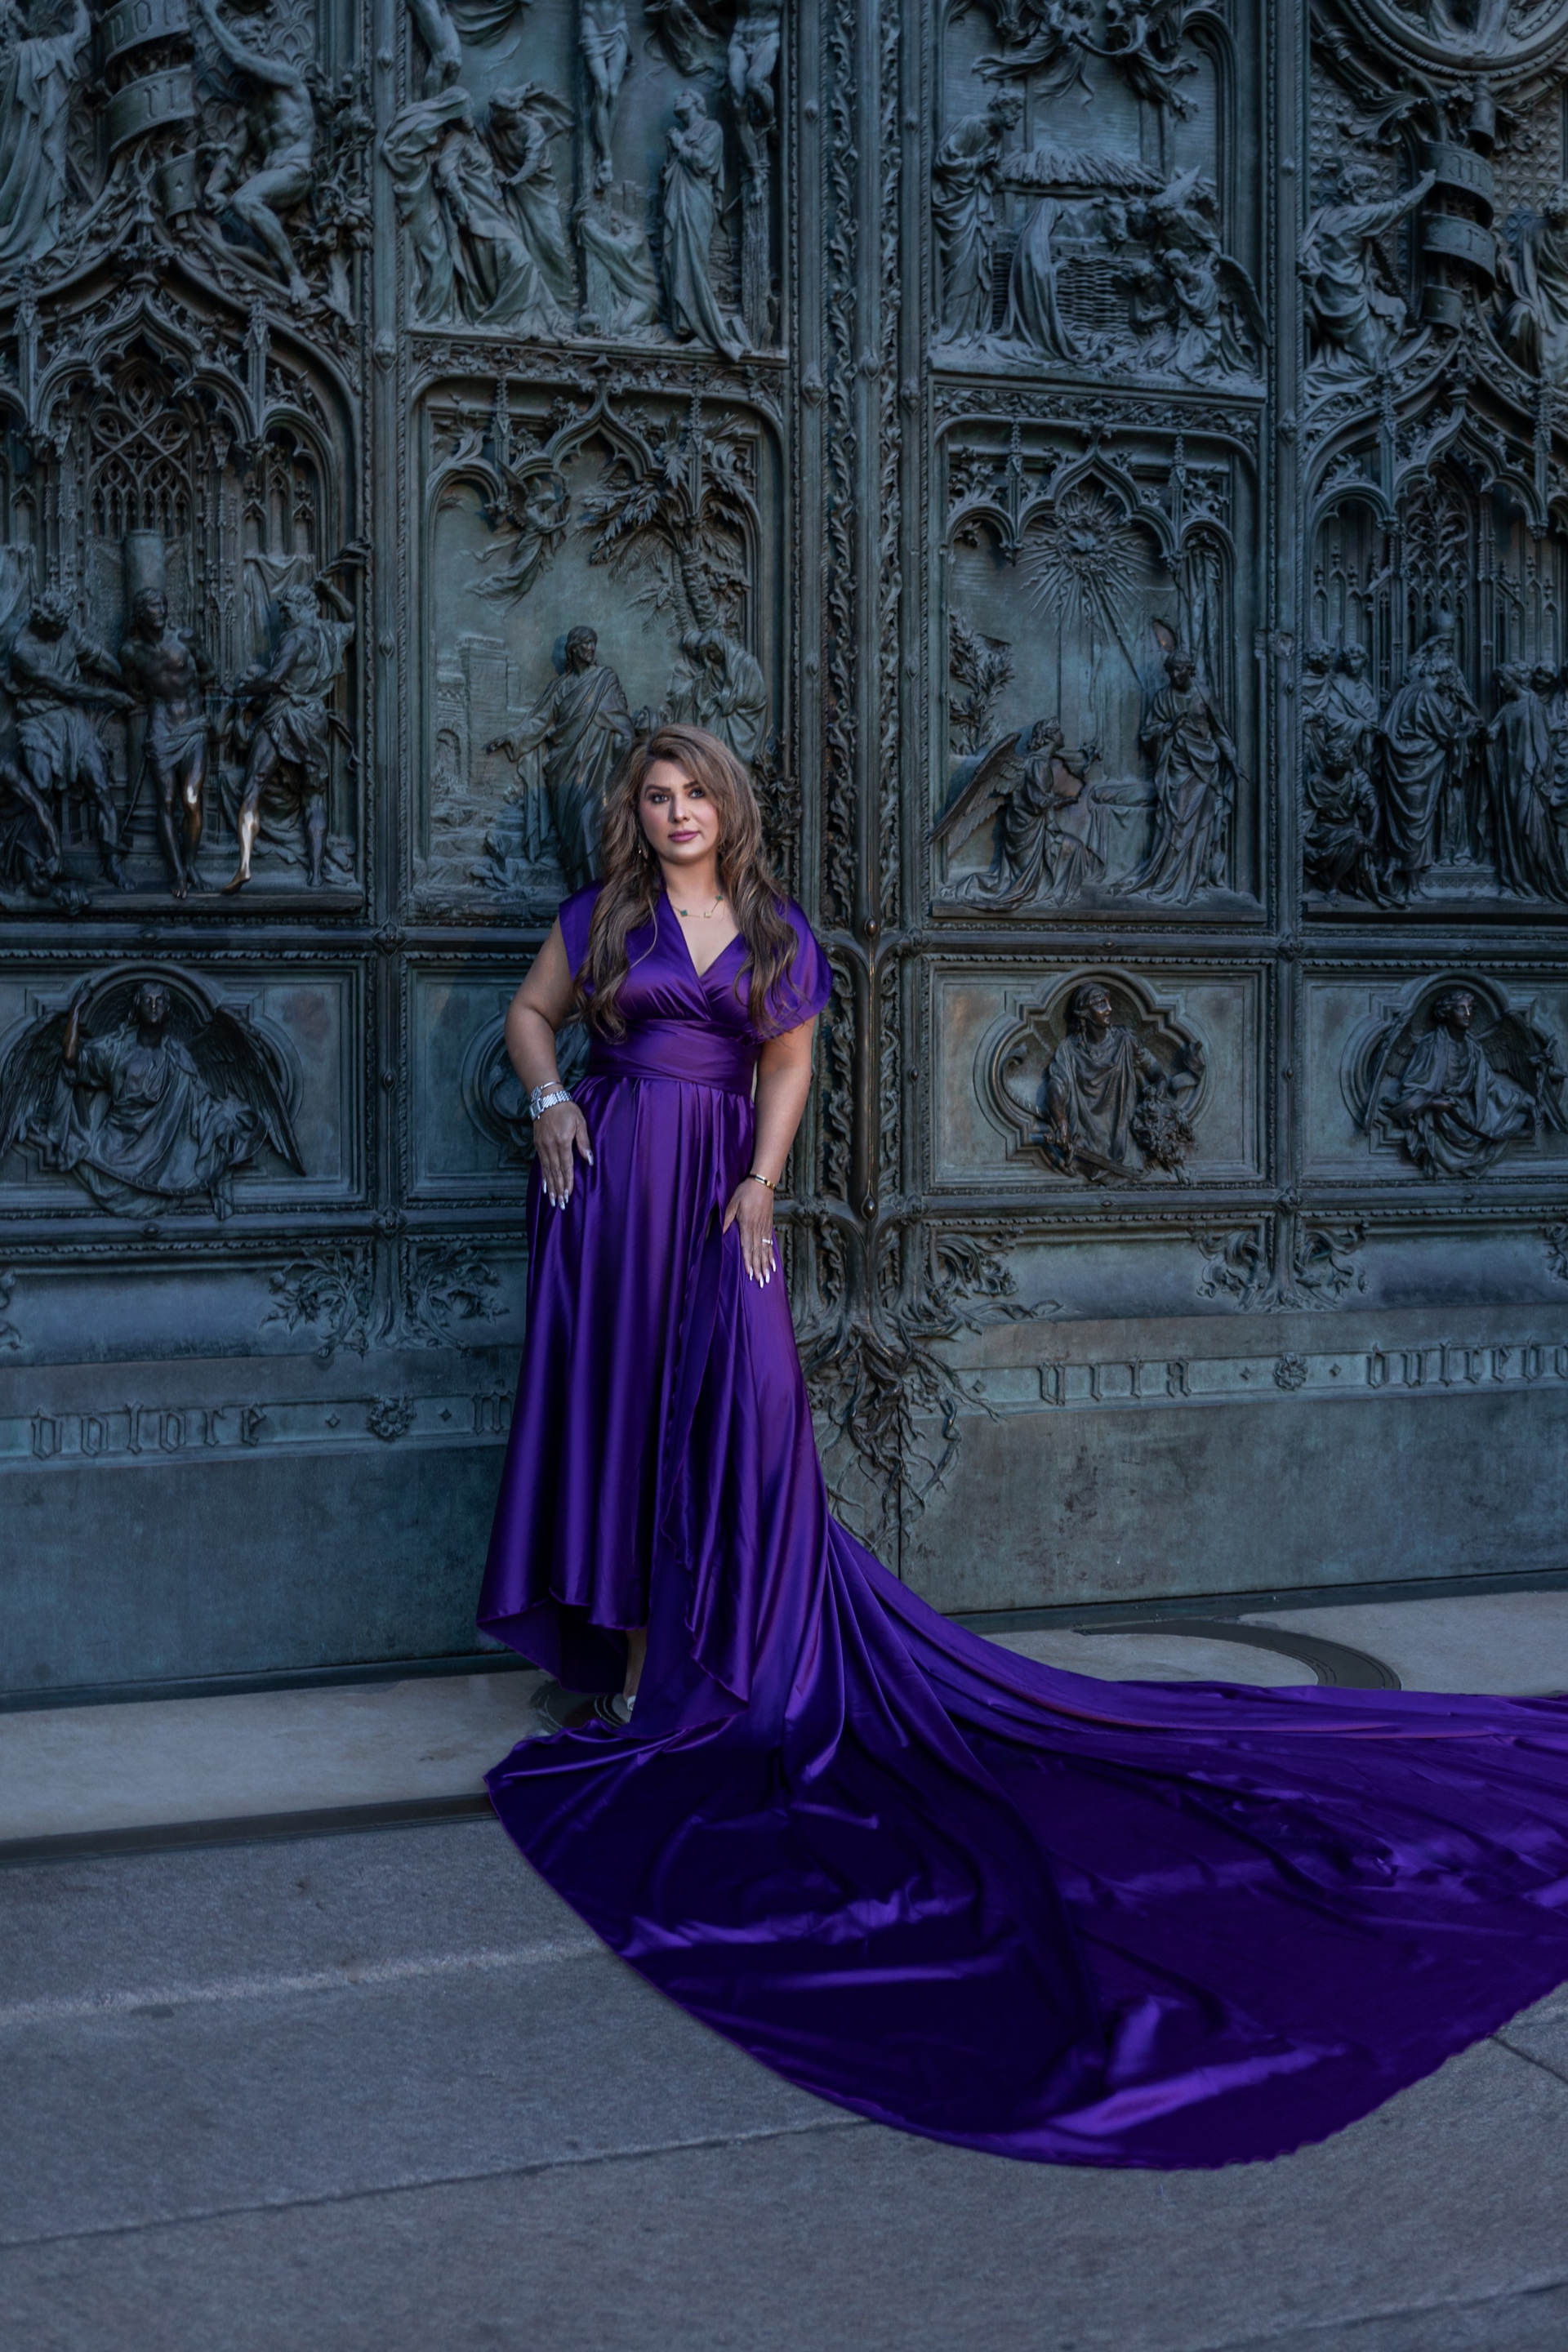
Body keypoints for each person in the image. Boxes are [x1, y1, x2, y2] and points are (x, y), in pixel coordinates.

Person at [475, 724, 1568, 2170]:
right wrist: (552, 1096)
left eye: (696, 795)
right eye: (657, 795)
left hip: (718, 1196)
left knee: (736, 1424)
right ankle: (627, 1663)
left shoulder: (777, 930)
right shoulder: (601, 917)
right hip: (610, 1186)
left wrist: (760, 1185)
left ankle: (726, 1657)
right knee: (616, 1419)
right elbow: (530, 1014)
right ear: (639, 810)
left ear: (730, 808)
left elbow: (790, 1062)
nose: (676, 812)